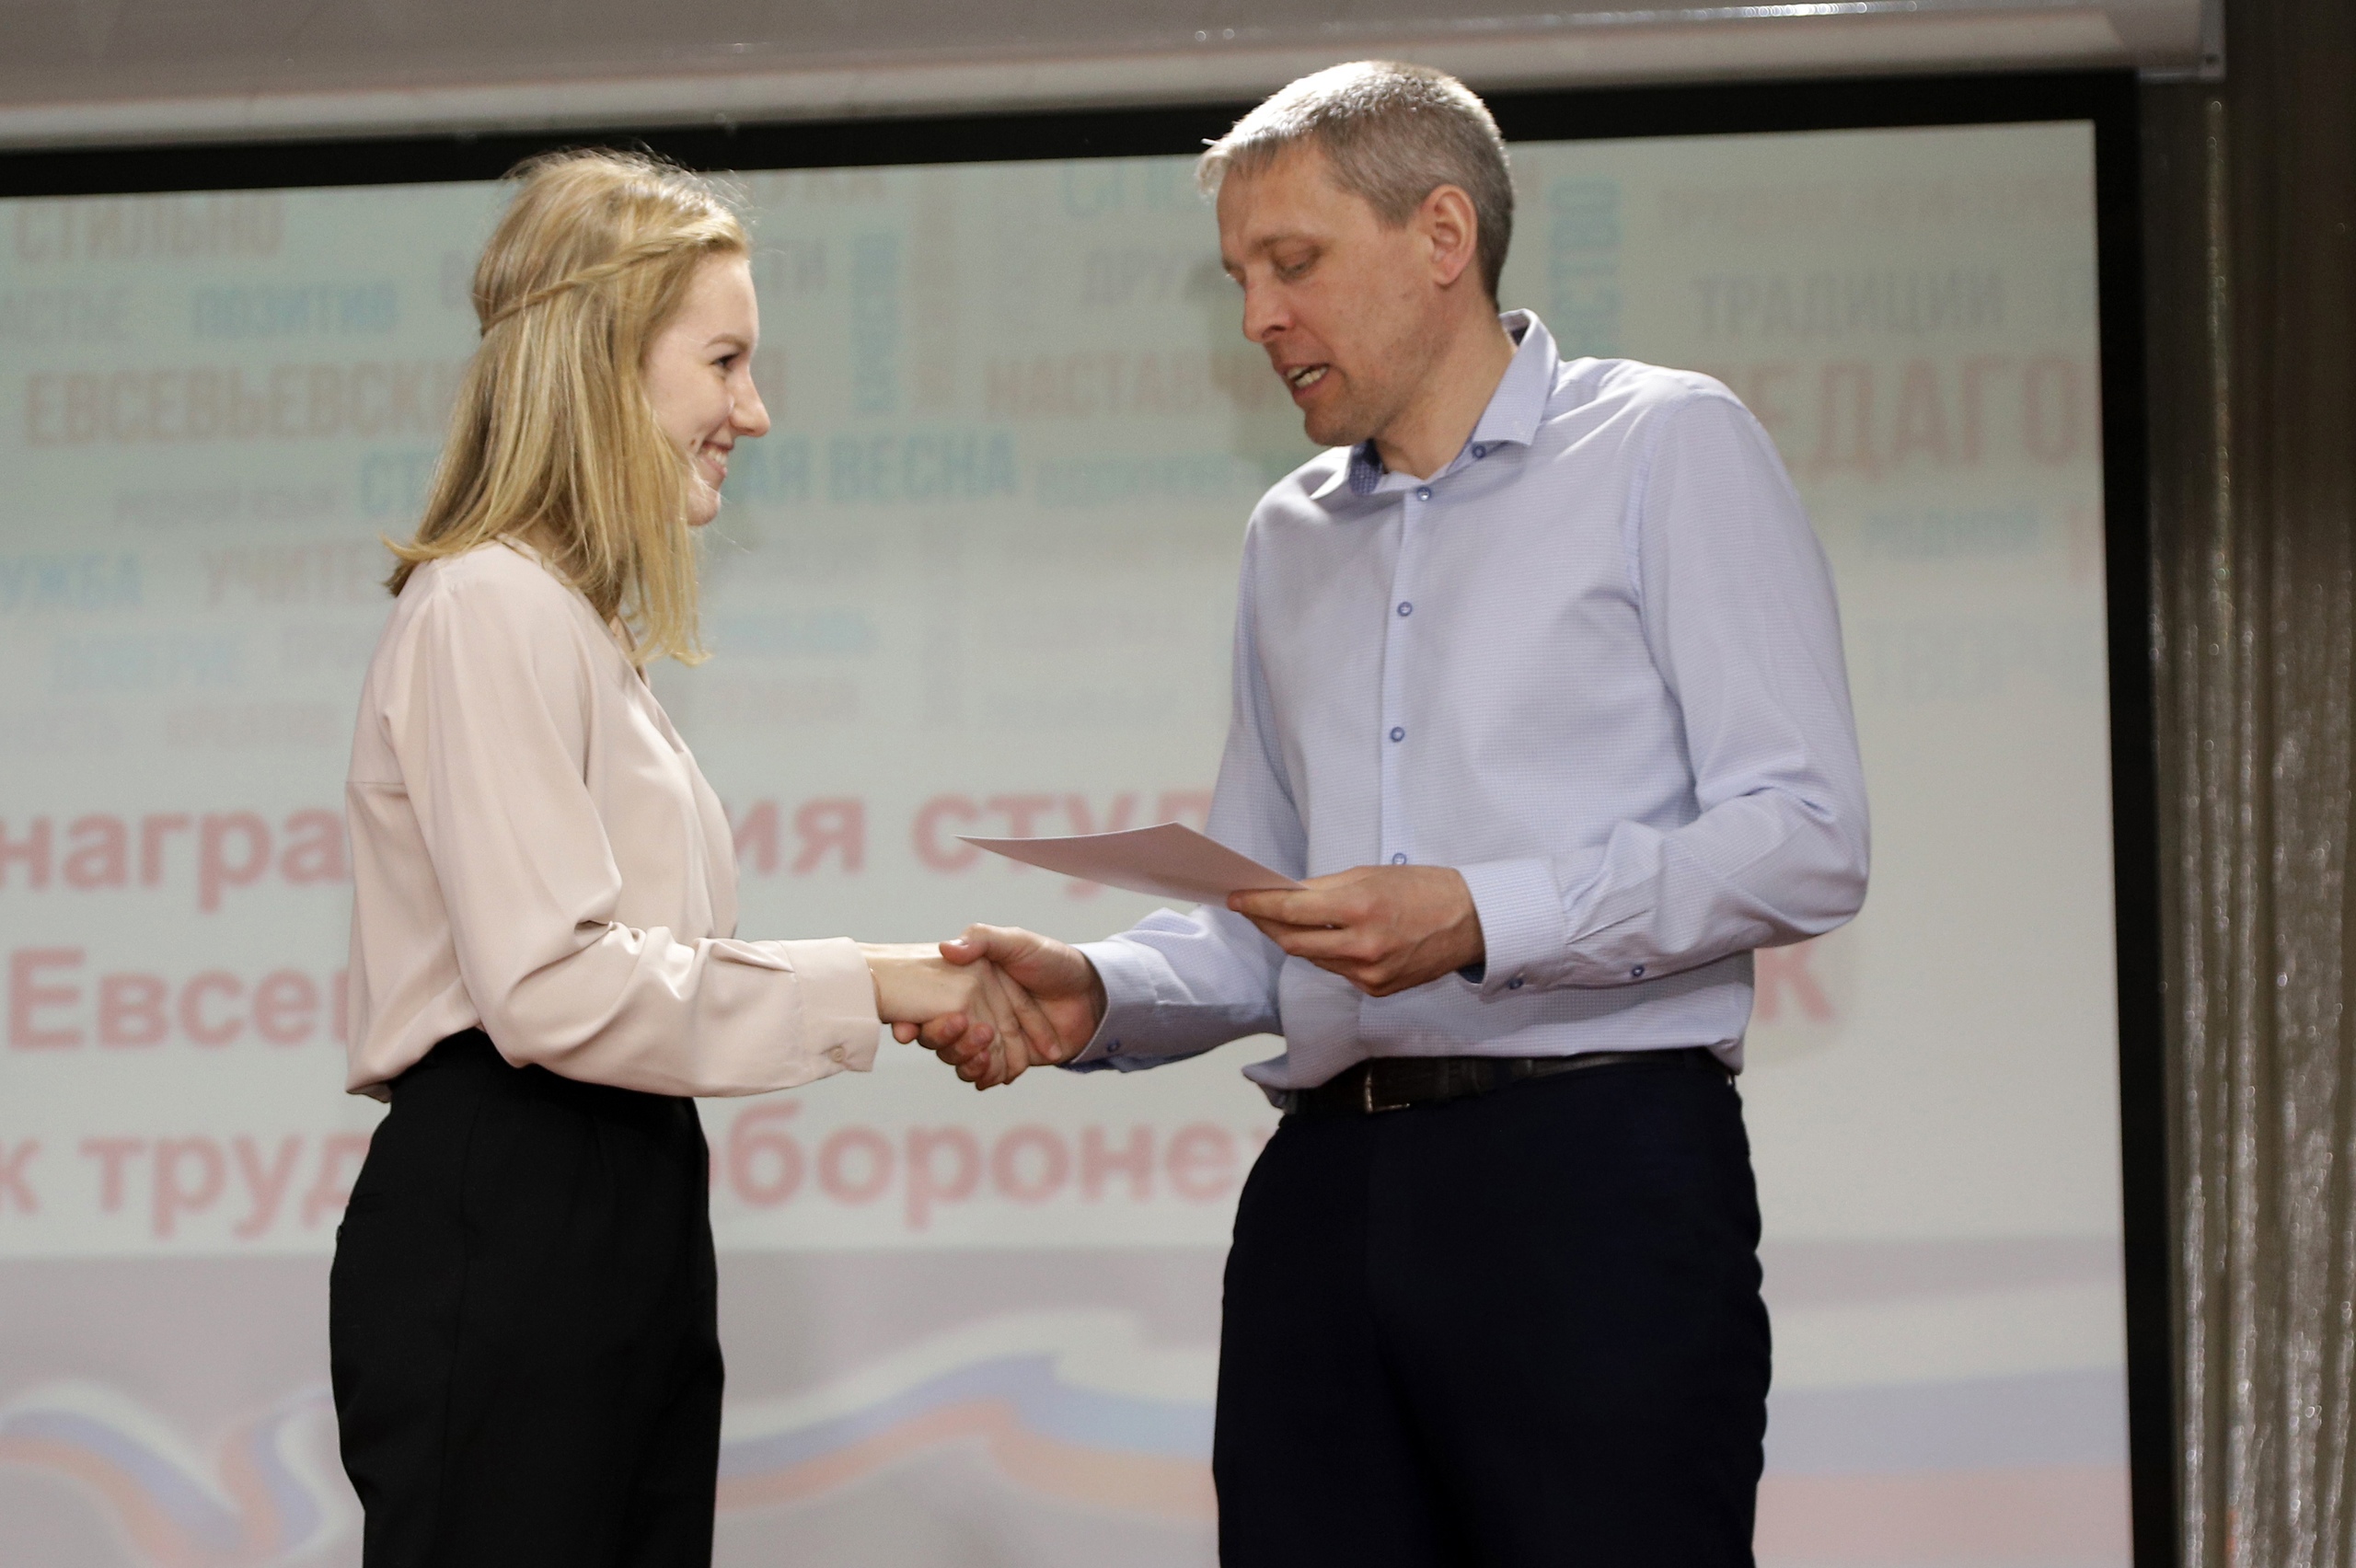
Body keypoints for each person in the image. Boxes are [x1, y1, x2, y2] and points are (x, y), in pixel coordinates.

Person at [914, 62, 1869, 1568]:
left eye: (1292, 263)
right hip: (1324, 1198)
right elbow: (1264, 916)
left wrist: (1483, 915)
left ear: (1442, 236)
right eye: (1238, 278)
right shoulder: (1290, 534)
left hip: (1591, 1178)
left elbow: (1806, 834)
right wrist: (1098, 990)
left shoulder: (1663, 445)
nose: (1258, 318)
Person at [328, 150, 1036, 1568]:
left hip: (619, 1195)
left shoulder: (573, 625)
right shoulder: (488, 607)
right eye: (724, 361)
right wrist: (880, 982)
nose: (752, 411)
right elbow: (550, 992)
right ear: (603, 360)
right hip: (516, 1203)